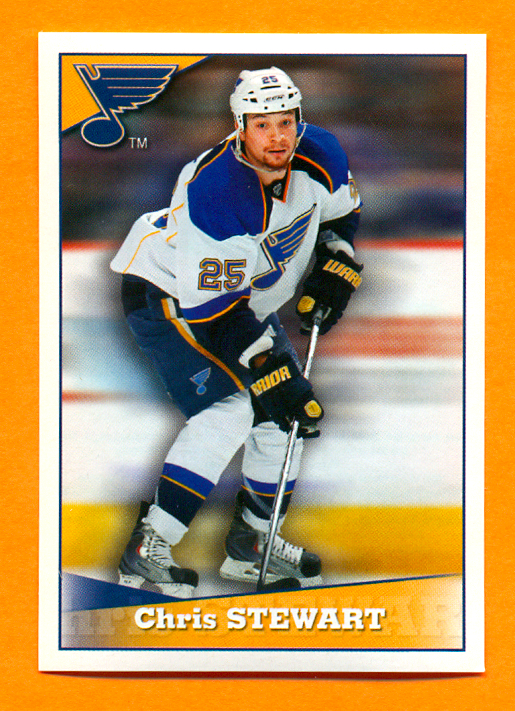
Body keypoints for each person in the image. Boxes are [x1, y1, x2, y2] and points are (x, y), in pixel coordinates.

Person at [110, 67, 363, 598]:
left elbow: (342, 214)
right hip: (169, 294)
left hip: (241, 301)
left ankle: (252, 543)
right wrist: (269, 370)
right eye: (262, 124)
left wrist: (336, 258)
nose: (277, 136)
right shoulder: (216, 190)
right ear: (240, 127)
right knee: (231, 410)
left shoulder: (322, 153)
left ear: (299, 120)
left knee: (284, 418)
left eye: (286, 122)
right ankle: (147, 547)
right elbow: (213, 312)